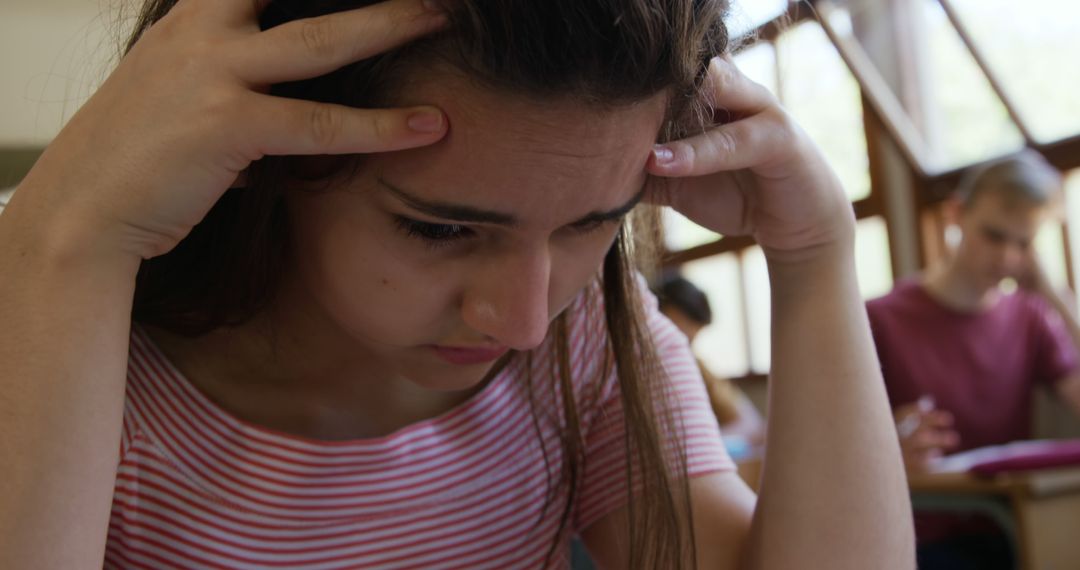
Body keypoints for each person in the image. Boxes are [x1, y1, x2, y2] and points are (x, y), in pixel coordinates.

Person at [0, 0, 913, 567]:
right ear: (266, 160)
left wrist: (815, 254)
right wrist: (62, 237)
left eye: (591, 225)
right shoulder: (83, 346)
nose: (520, 318)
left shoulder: (589, 339)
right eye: (440, 228)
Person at [867, 149, 1080, 569]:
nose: (1006, 258)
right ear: (956, 214)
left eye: (1024, 244)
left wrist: (1056, 297)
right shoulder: (881, 317)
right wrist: (888, 444)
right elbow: (837, 442)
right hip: (923, 534)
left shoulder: (1031, 315)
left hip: (1019, 523)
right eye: (994, 235)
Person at [655, 273, 766, 447]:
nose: (683, 344)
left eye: (691, 338)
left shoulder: (696, 366)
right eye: (678, 330)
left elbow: (751, 425)